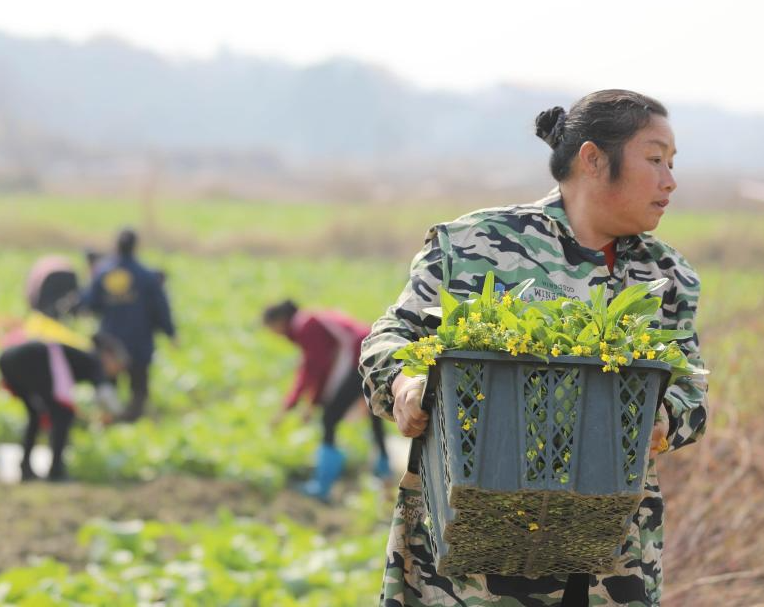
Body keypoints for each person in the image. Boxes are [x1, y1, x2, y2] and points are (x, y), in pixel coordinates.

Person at [359, 90, 709, 606]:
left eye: (672, 164)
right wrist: (403, 385)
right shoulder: (475, 244)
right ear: (592, 159)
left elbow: (693, 392)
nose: (670, 180)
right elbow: (388, 337)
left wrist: (662, 419)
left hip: (607, 565)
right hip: (467, 567)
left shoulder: (666, 276)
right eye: (655, 159)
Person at [264, 299, 391, 502]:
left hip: (360, 358)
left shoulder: (306, 326)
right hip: (373, 353)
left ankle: (323, 484)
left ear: (280, 320)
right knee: (373, 410)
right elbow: (311, 368)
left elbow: (317, 367)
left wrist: (311, 403)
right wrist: (292, 404)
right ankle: (384, 470)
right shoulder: (309, 321)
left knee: (329, 418)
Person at [0, 334, 127, 481]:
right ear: (109, 356)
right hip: (31, 360)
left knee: (36, 415)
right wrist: (119, 415)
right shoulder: (94, 361)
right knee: (63, 415)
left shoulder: (81, 354)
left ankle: (26, 468)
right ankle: (56, 471)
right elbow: (105, 394)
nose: (116, 371)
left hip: (8, 360)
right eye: (118, 365)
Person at [85, 228, 177, 422]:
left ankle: (110, 424)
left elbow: (89, 303)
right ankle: (133, 423)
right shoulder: (146, 276)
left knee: (109, 387)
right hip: (139, 342)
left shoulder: (103, 273)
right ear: (136, 247)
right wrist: (170, 333)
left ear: (116, 246)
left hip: (110, 344)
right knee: (138, 389)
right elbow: (160, 307)